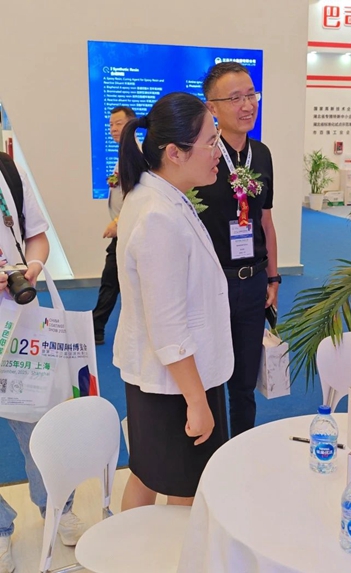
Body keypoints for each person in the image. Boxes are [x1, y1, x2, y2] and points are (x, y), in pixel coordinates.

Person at [114, 92, 234, 510]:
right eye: (211, 142)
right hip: (177, 384)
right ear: (175, 153)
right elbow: (168, 327)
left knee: (146, 473)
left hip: (166, 378)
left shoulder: (157, 197)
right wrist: (197, 401)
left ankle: (131, 545)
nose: (219, 152)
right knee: (184, 490)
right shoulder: (158, 215)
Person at [0, 153, 85, 573]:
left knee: (38, 423)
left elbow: (35, 235)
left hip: (20, 322)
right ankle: (0, 527)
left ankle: (57, 505)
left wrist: (31, 266)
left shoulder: (7, 170)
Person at [198, 62, 280, 438]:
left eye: (251, 95)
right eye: (235, 98)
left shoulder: (261, 154)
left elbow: (265, 220)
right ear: (211, 107)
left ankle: (241, 448)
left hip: (253, 282)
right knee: (210, 378)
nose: (247, 105)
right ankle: (209, 456)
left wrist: (273, 277)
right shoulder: (201, 155)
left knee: (245, 383)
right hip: (211, 285)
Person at [92, 105, 136, 345]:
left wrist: (118, 223)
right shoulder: (124, 153)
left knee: (111, 280)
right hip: (124, 230)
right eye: (111, 125)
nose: (113, 129)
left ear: (132, 124)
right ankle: (96, 326)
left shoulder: (135, 155)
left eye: (119, 123)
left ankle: (96, 326)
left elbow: (136, 195)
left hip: (128, 231)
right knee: (113, 280)